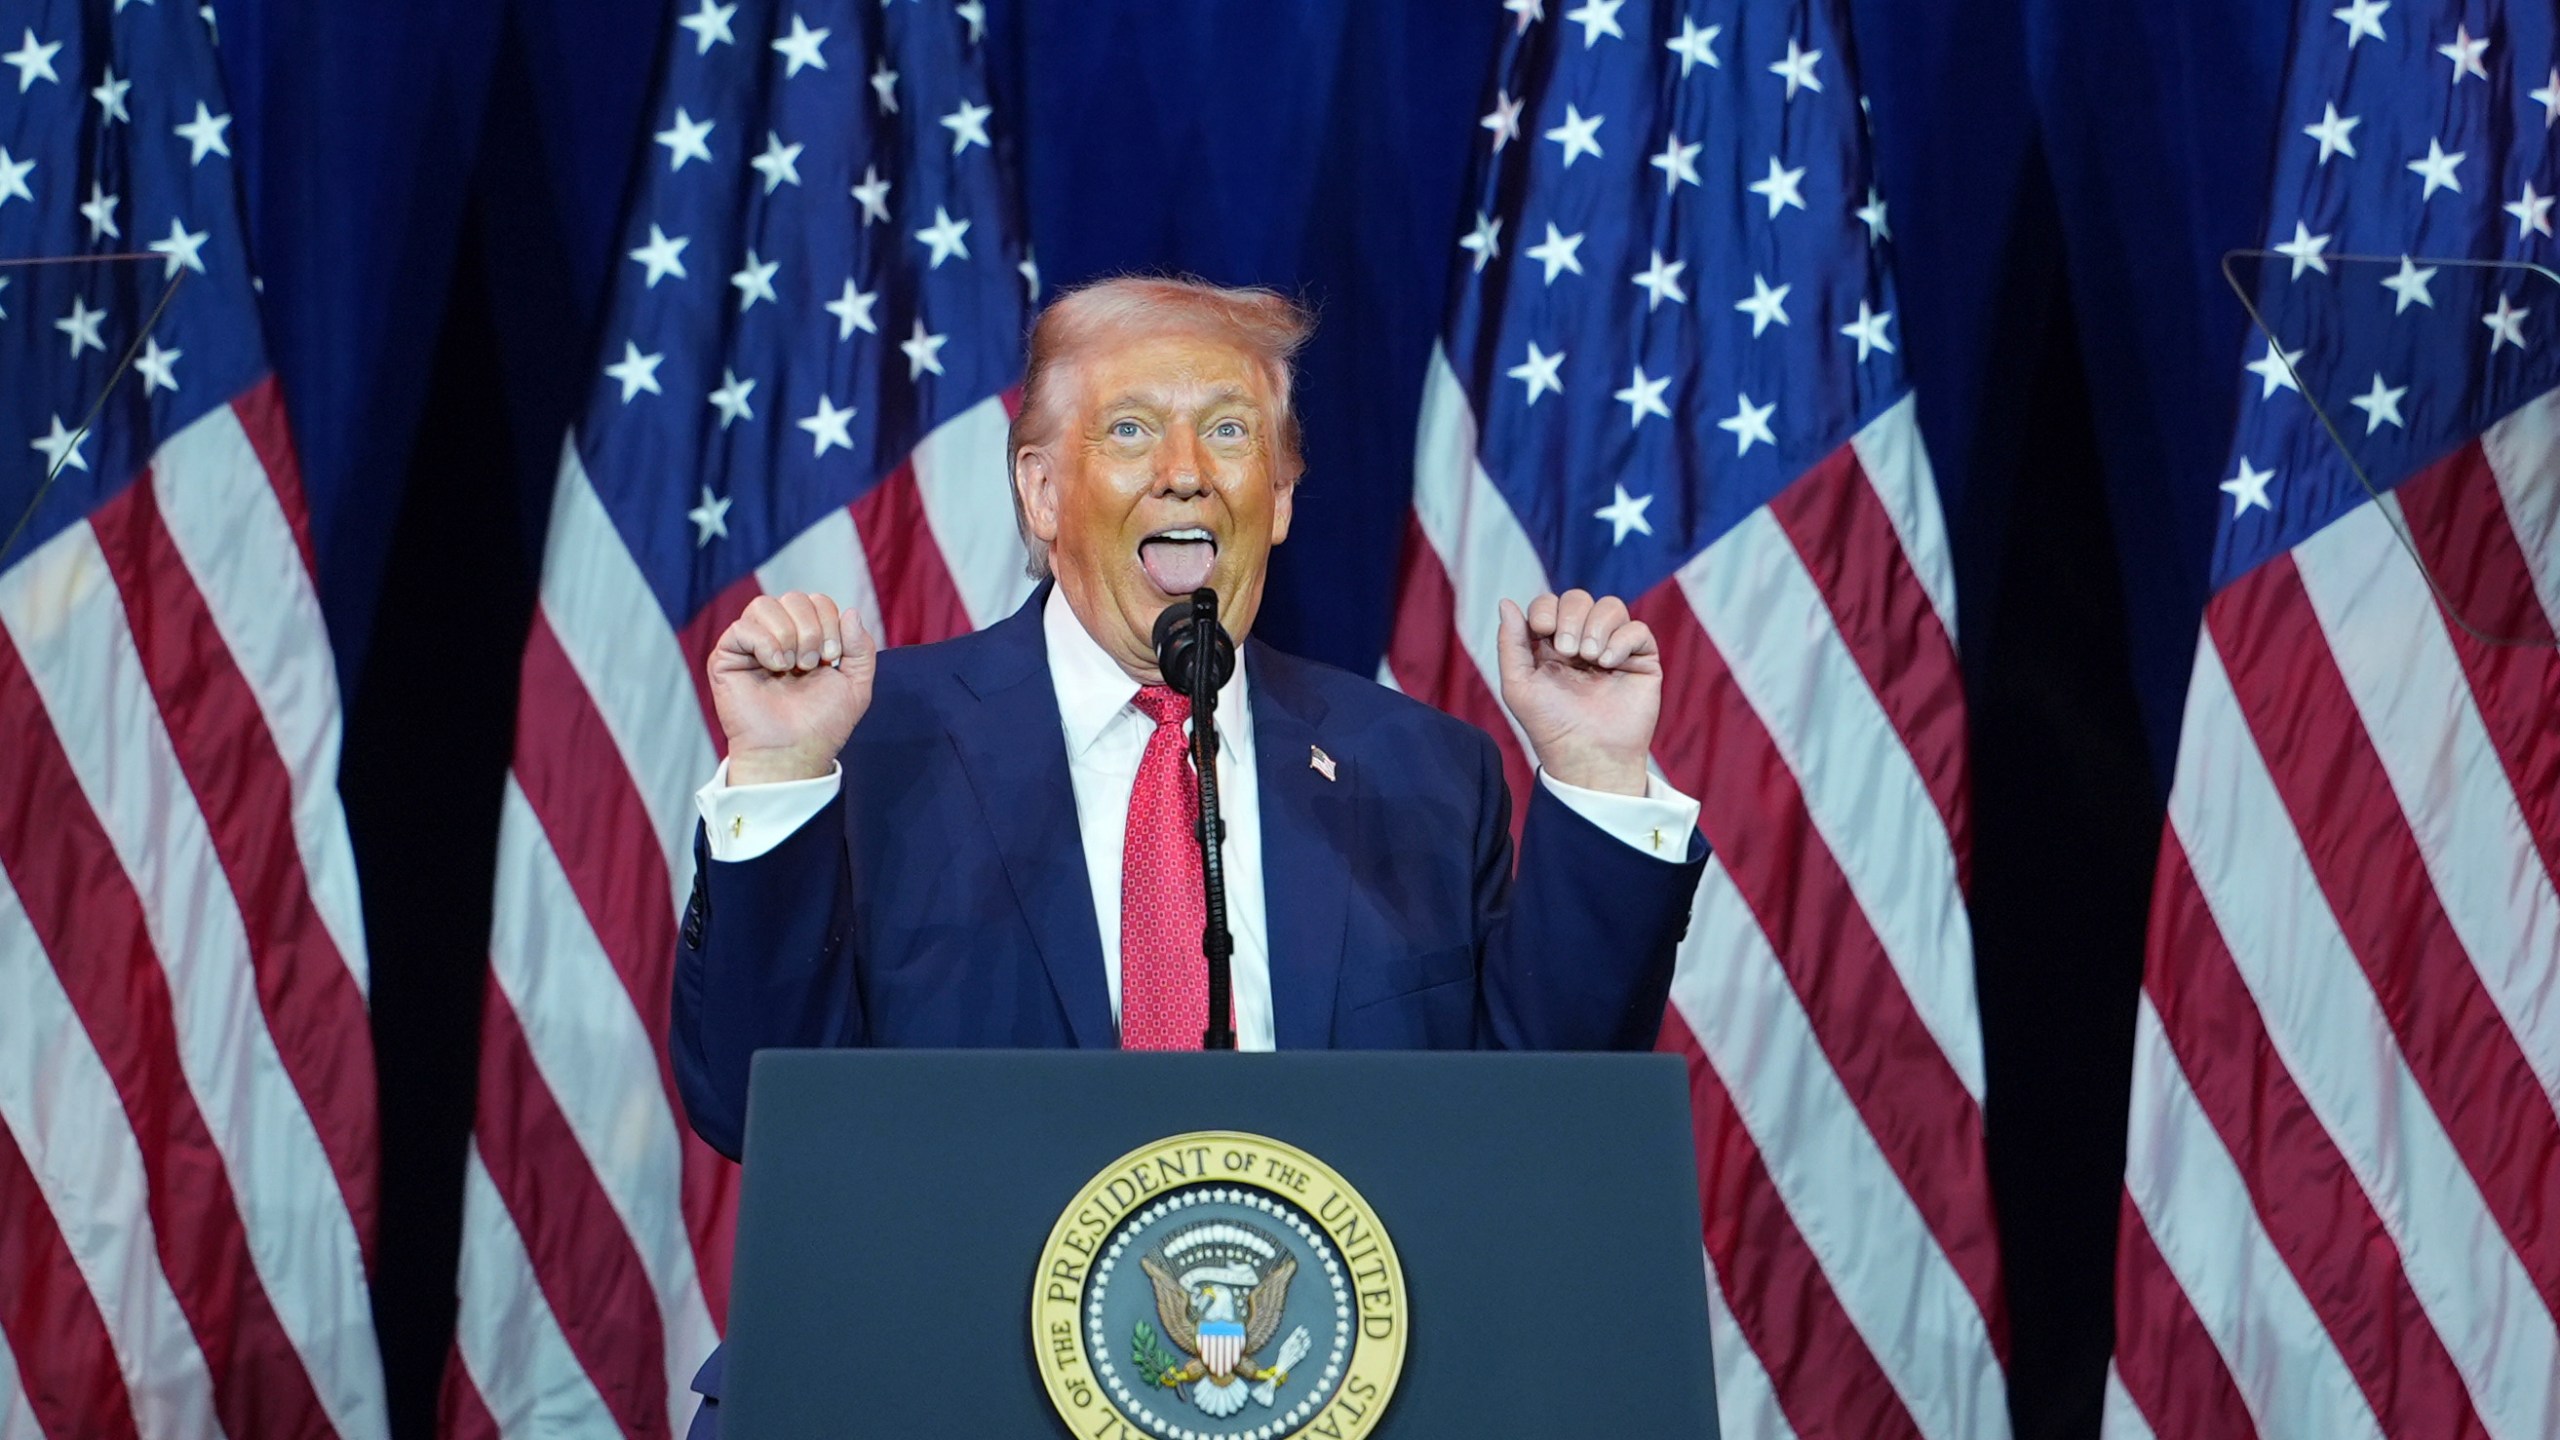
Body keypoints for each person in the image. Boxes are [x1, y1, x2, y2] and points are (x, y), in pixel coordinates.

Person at [670, 277, 1707, 1431]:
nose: (1184, 471)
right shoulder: (870, 742)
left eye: (1228, 431)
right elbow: (753, 1104)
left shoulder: (1418, 771)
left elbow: (1541, 1129)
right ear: (1041, 490)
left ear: (1281, 497)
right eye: (1128, 429)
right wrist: (780, 774)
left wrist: (1596, 776)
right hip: (932, 1392)